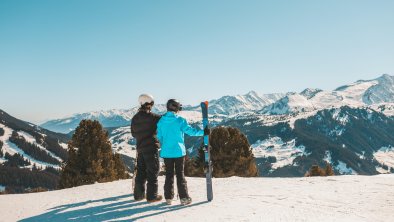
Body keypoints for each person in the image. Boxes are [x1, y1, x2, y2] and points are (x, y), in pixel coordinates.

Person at [157, 99, 209, 205]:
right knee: (180, 175)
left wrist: (166, 144)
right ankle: (184, 198)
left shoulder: (161, 121)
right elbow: (191, 131)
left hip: (166, 152)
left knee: (169, 175)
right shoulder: (180, 120)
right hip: (178, 152)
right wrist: (204, 132)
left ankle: (168, 198)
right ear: (175, 108)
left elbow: (159, 137)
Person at [131, 94, 162, 203]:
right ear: (149, 104)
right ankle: (152, 196)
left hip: (140, 149)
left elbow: (133, 134)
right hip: (151, 148)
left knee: (140, 172)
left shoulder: (135, 118)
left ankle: (138, 195)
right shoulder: (153, 117)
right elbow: (163, 121)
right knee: (153, 171)